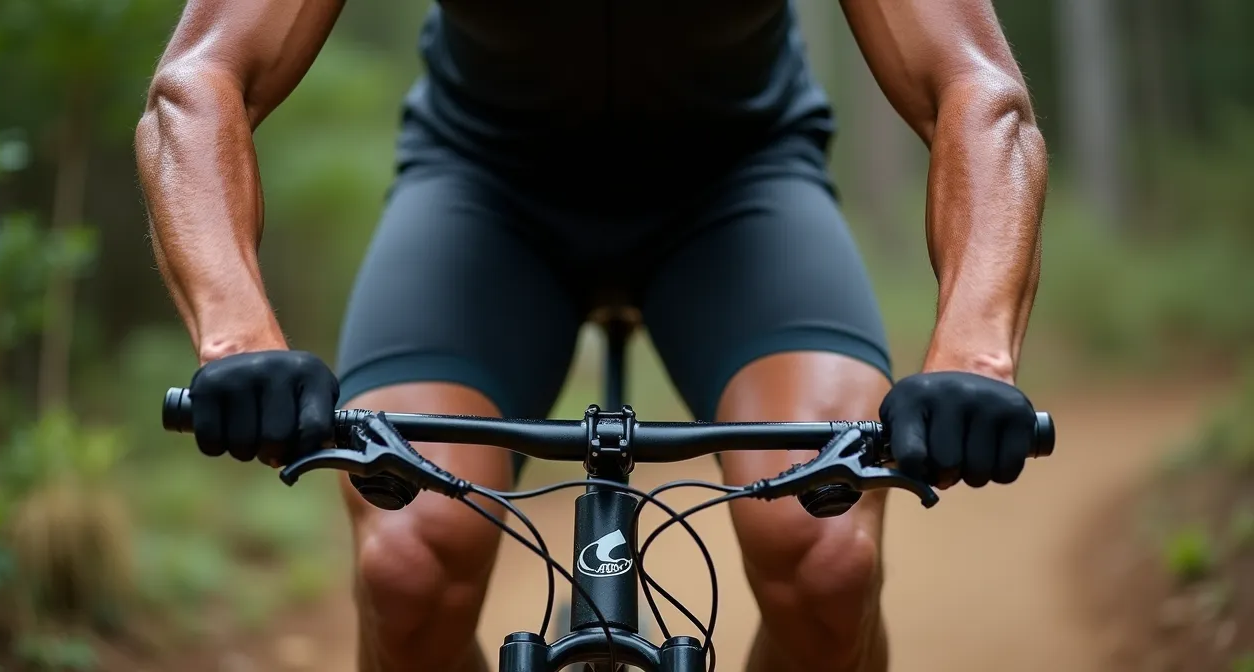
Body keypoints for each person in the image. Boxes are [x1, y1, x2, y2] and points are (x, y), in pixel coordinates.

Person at [135, 0, 1047, 669]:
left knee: (827, 555)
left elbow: (975, 87)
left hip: (737, 186)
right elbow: (200, 80)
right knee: (408, 564)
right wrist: (238, 337)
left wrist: (972, 351)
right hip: (484, 188)